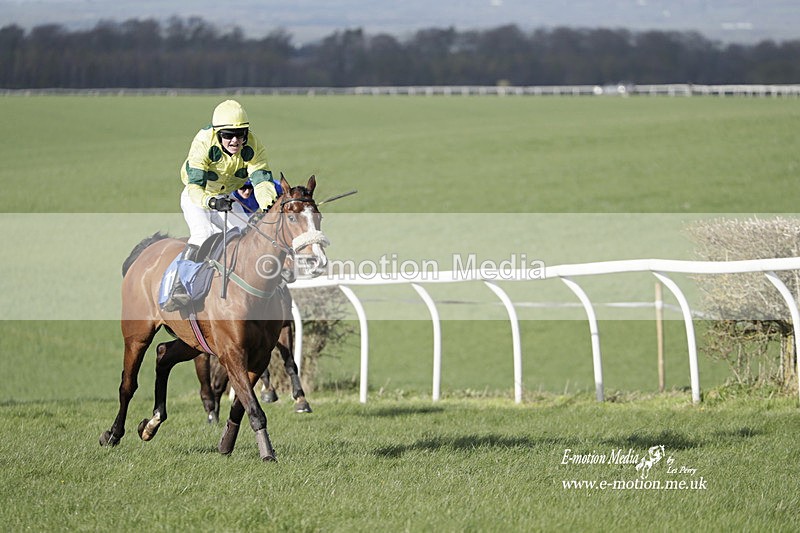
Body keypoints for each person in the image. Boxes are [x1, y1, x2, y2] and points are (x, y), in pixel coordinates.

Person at [162, 99, 280, 312]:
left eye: (240, 134)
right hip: (198, 195)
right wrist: (211, 201)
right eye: (228, 135)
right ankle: (178, 286)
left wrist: (266, 208)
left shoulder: (253, 145)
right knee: (203, 233)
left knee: (247, 234)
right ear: (218, 134)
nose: (235, 141)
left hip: (225, 196)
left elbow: (262, 181)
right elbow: (195, 188)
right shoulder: (203, 143)